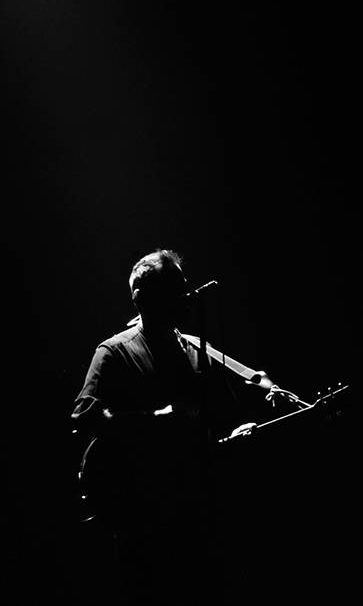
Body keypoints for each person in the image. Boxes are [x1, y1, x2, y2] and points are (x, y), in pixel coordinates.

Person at [71, 248, 264, 593]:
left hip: (196, 513)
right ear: (140, 297)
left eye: (182, 286)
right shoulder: (115, 351)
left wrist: (235, 434)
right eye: (171, 288)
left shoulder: (194, 348)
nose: (184, 296)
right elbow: (85, 415)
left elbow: (234, 398)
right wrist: (157, 419)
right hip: (141, 518)